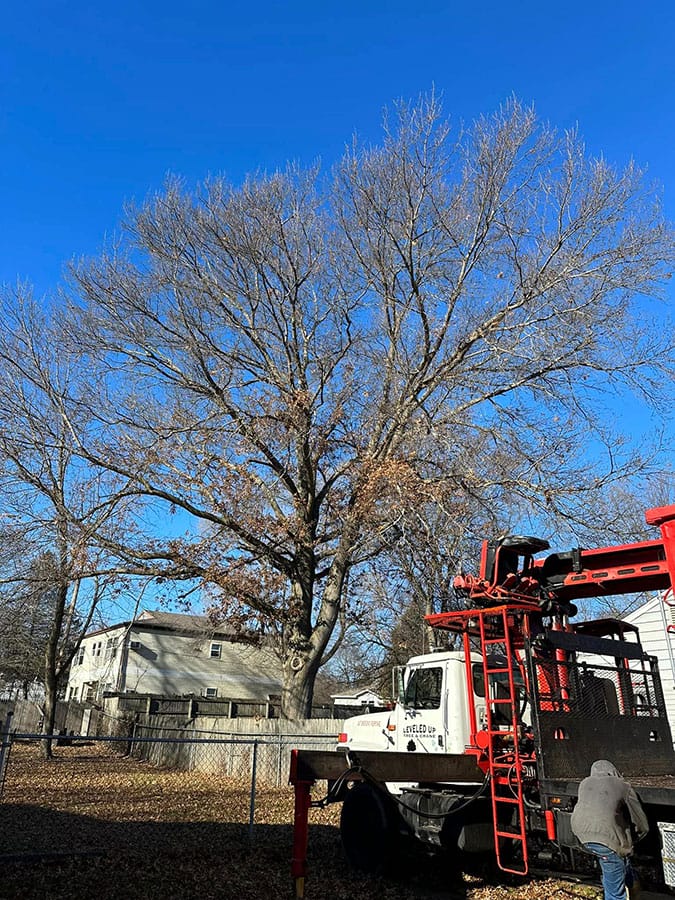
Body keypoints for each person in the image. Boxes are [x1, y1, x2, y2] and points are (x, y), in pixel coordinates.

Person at [571, 759, 649, 900]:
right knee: (614, 890)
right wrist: (639, 835)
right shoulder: (623, 786)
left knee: (616, 856)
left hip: (581, 834)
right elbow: (639, 819)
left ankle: (633, 884)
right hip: (605, 839)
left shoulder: (584, 783)